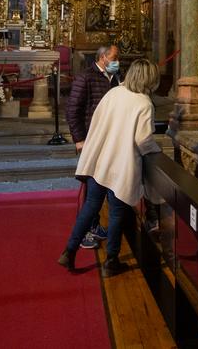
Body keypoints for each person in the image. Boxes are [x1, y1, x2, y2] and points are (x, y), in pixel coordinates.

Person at [59, 58, 161, 276]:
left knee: (90, 207)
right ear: (150, 79)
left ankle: (69, 251)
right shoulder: (144, 103)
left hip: (100, 160)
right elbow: (143, 140)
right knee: (116, 214)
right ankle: (111, 262)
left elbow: (96, 122)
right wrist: (156, 151)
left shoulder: (114, 93)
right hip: (120, 164)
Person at [65, 45, 120, 249]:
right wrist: (79, 139)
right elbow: (72, 110)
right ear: (103, 57)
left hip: (109, 139)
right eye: (114, 57)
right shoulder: (86, 77)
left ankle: (94, 226)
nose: (117, 61)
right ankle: (86, 232)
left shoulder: (115, 77)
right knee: (91, 188)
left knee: (99, 186)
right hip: (91, 139)